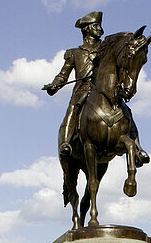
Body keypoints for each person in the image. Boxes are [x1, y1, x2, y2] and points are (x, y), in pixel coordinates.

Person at [43, 11, 105, 157]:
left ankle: (137, 148)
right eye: (96, 25)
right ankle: (65, 143)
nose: (100, 29)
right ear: (87, 29)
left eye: (99, 25)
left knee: (125, 110)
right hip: (83, 89)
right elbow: (63, 75)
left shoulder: (106, 49)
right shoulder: (74, 53)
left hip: (102, 89)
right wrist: (54, 85)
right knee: (72, 109)